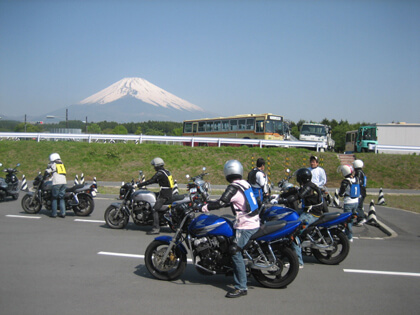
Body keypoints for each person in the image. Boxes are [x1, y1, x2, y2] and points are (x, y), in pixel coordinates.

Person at [201, 160, 260, 298]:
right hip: (253, 221)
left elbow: (222, 202)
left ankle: (241, 287)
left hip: (246, 225)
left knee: (234, 251)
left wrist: (204, 207)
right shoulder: (245, 183)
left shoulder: (233, 187)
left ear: (227, 172)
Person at [279, 168, 327, 268]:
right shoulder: (308, 185)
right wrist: (280, 196)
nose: (297, 178)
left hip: (311, 214)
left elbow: (298, 196)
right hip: (308, 211)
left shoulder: (308, 188)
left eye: (299, 177)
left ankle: (298, 261)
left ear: (302, 178)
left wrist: (282, 200)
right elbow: (295, 192)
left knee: (293, 231)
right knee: (290, 215)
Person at [137, 157, 174, 235]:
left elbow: (152, 180)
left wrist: (140, 185)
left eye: (154, 166)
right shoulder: (166, 171)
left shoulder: (160, 173)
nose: (153, 167)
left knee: (155, 209)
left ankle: (156, 228)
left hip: (164, 194)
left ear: (157, 165)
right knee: (152, 196)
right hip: (168, 192)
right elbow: (162, 181)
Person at [337, 164, 359, 242]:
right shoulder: (356, 179)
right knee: (352, 219)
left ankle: (349, 236)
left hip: (348, 202)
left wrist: (341, 194)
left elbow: (341, 193)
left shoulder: (346, 181)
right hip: (356, 201)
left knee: (347, 219)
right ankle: (348, 233)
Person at [45, 152, 67, 218]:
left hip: (57, 182)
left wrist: (46, 173)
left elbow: (47, 171)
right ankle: (63, 213)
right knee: (61, 198)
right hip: (64, 182)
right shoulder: (62, 163)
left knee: (54, 198)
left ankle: (54, 213)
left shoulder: (53, 163)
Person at [353, 159, 367, 226]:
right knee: (359, 206)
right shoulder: (362, 172)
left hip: (360, 191)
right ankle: (359, 219)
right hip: (363, 191)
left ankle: (361, 218)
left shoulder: (358, 172)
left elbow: (358, 182)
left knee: (358, 206)